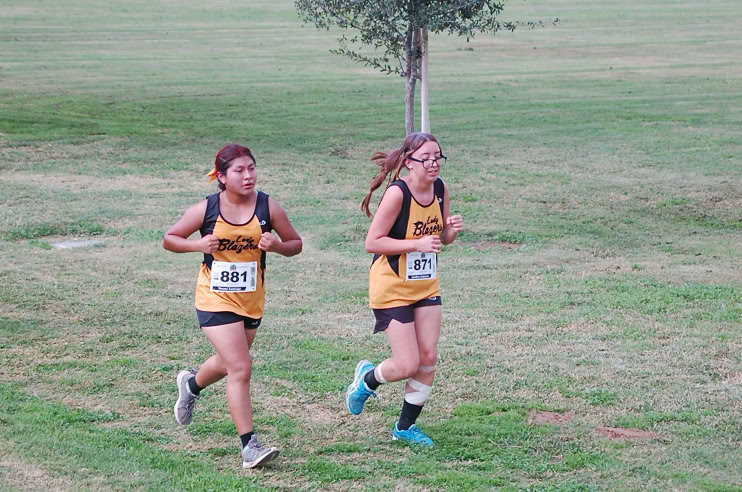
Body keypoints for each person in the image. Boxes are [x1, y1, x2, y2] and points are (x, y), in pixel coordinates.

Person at [163, 143, 302, 468]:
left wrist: (277, 246)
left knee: (229, 362)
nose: (248, 175)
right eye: (239, 170)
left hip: (250, 300)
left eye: (251, 168)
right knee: (240, 367)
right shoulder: (207, 209)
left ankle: (191, 384)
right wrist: (197, 244)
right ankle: (249, 447)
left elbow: (296, 244)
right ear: (222, 177)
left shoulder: (268, 207)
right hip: (214, 297)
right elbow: (170, 238)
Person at [345, 132, 464, 447]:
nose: (434, 163)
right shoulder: (398, 194)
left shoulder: (440, 189)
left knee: (428, 357)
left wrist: (450, 231)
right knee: (408, 363)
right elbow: (373, 242)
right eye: (426, 158)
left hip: (425, 285)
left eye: (438, 157)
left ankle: (405, 427)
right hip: (391, 287)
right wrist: (415, 244)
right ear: (409, 162)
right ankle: (367, 379)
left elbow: (440, 239)